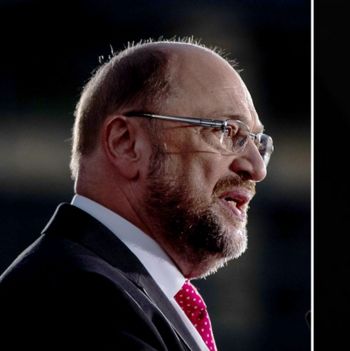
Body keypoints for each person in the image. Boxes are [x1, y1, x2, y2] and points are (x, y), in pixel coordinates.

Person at [0, 39, 273, 350]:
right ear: (125, 143)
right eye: (226, 131)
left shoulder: (124, 292)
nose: (255, 168)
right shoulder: (78, 299)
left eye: (258, 142)